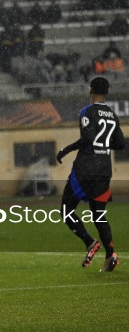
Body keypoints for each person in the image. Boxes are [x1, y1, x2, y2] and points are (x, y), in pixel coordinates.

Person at [56, 77, 125, 272]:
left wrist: (65, 150)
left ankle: (89, 242)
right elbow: (120, 143)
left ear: (91, 91)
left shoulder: (87, 111)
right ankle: (111, 254)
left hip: (86, 168)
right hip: (104, 170)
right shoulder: (112, 114)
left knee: (66, 209)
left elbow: (88, 138)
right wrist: (103, 145)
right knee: (99, 215)